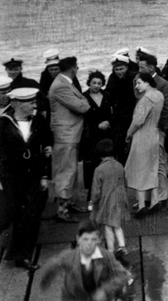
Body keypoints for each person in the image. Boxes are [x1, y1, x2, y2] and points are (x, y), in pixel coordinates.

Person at [39, 219, 129, 301]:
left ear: (99, 240)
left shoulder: (106, 257)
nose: (89, 244)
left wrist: (105, 290)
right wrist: (45, 280)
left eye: (93, 239)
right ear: (78, 239)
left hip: (96, 297)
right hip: (74, 297)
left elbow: (122, 275)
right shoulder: (69, 257)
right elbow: (53, 264)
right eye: (85, 239)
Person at [0, 87, 52, 270]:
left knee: (30, 216)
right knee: (6, 215)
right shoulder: (3, 123)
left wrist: (45, 175)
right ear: (16, 104)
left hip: (33, 176)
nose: (34, 105)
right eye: (30, 102)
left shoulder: (38, 120)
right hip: (10, 177)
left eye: (34, 101)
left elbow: (47, 145)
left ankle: (21, 256)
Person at [49, 56, 91, 222]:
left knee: (71, 170)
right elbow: (82, 106)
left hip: (70, 133)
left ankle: (69, 202)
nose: (78, 69)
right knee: (65, 171)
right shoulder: (61, 85)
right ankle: (62, 209)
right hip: (65, 134)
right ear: (73, 68)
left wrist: (82, 100)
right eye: (76, 67)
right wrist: (84, 100)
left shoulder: (63, 82)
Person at [124, 72, 164, 218]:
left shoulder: (146, 99)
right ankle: (154, 201)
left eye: (139, 82)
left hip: (142, 137)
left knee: (139, 169)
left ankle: (141, 206)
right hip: (154, 134)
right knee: (152, 168)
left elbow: (138, 121)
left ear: (147, 82)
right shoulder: (159, 95)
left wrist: (128, 134)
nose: (137, 86)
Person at [137, 54, 168, 209]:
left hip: (156, 129)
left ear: (151, 67)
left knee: (158, 164)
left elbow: (167, 109)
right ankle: (147, 199)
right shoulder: (138, 81)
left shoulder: (162, 84)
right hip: (141, 129)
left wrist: (159, 128)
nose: (138, 69)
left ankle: (162, 196)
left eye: (141, 67)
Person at [90, 139, 129, 261]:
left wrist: (93, 202)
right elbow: (125, 183)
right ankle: (122, 246)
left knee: (108, 226)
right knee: (117, 225)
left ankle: (111, 251)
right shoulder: (120, 165)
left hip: (107, 201)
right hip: (120, 199)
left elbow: (96, 191)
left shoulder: (99, 170)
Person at [81, 71, 113, 209]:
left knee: (106, 166)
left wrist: (108, 123)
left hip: (106, 136)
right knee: (92, 168)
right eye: (94, 83)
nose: (96, 85)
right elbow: (83, 120)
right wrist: (97, 126)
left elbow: (113, 114)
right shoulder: (83, 97)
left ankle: (107, 199)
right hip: (91, 137)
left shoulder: (107, 96)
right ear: (89, 82)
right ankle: (91, 199)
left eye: (99, 83)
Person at [106, 55, 136, 164]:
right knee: (119, 144)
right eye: (116, 69)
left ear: (127, 68)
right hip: (117, 116)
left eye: (121, 69)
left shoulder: (133, 78)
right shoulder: (112, 78)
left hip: (131, 114)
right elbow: (108, 95)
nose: (119, 72)